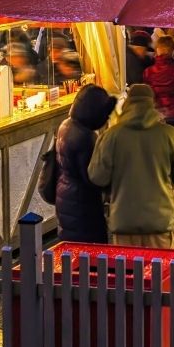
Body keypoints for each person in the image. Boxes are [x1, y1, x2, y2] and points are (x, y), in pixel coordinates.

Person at [87, 84, 174, 246]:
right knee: (161, 271)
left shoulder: (111, 136)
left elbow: (97, 177)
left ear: (127, 104)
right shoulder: (170, 135)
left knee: (126, 271)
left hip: (124, 222)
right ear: (152, 104)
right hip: (160, 222)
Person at [54, 84, 117, 243]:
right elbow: (93, 178)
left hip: (65, 197)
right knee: (90, 256)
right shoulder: (86, 137)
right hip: (83, 205)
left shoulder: (65, 125)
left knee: (71, 252)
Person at [143, 36, 174, 137]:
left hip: (156, 113)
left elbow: (146, 94)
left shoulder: (148, 72)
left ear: (157, 49)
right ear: (173, 50)